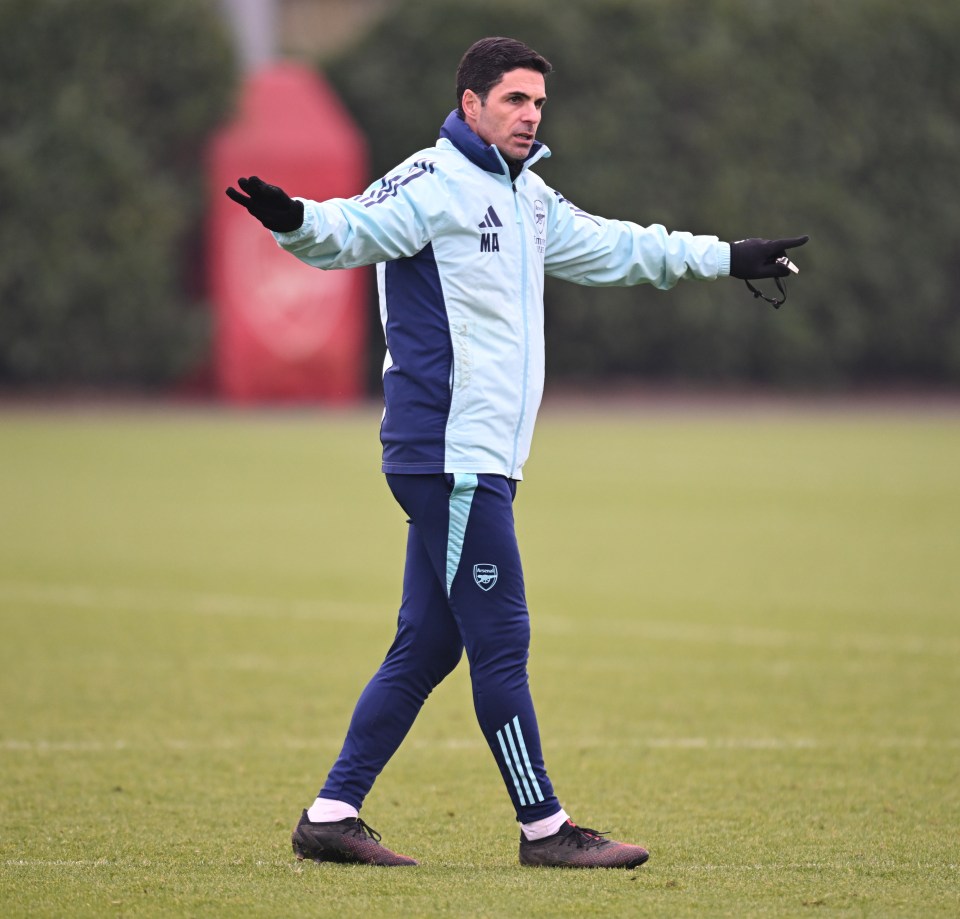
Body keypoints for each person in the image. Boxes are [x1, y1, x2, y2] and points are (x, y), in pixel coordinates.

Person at [226, 36, 807, 869]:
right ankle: (545, 829)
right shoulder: (431, 182)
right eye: (514, 101)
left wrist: (727, 256)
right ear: (471, 104)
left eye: (538, 102)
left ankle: (331, 814)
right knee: (503, 639)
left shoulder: (527, 196)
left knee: (428, 643)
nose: (531, 114)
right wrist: (295, 219)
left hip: (477, 458)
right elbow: (351, 228)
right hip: (449, 455)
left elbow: (619, 247)